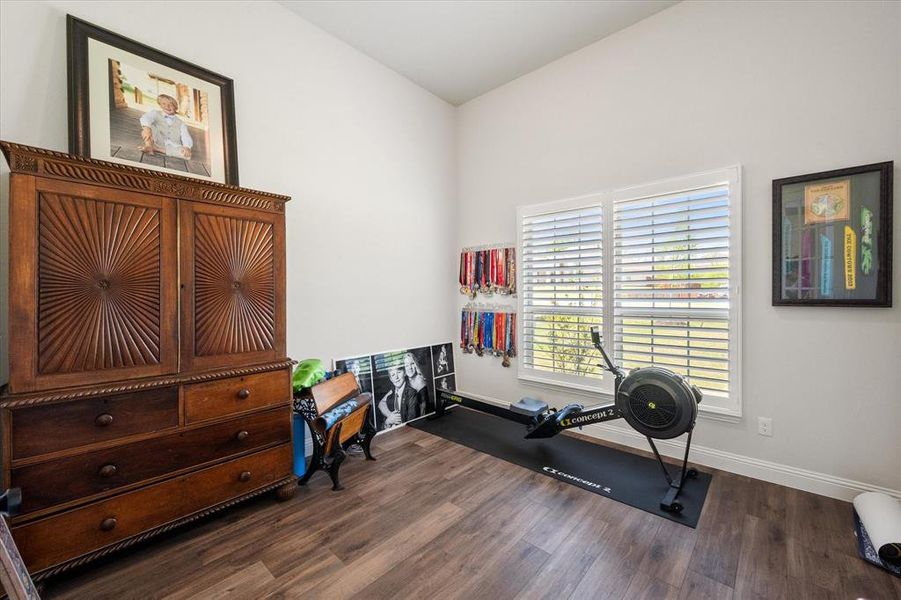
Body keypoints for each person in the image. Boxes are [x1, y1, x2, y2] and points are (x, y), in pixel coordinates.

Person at [139, 94, 193, 159]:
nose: (167, 106)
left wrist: (187, 146)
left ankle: (156, 149)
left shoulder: (181, 123)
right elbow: (146, 117)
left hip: (173, 145)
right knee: (148, 126)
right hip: (157, 140)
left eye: (170, 104)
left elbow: (185, 136)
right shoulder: (155, 113)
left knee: (187, 154)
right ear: (160, 105)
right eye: (163, 104)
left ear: (175, 107)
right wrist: (147, 129)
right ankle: (148, 146)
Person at [377, 365, 421, 429]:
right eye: (393, 375)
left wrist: (395, 421)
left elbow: (412, 421)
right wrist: (388, 421)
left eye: (399, 372)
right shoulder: (391, 396)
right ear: (391, 379)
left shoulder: (411, 392)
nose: (396, 377)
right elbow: (384, 424)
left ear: (405, 373)